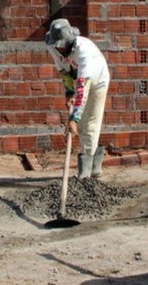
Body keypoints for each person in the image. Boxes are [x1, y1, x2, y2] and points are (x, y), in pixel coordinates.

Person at [45, 18, 110, 179]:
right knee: (81, 127)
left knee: (89, 124)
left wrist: (74, 118)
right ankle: (92, 168)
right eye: (57, 45)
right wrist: (68, 93)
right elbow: (64, 72)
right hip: (81, 80)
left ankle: (87, 173)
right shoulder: (51, 45)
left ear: (70, 40)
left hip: (98, 81)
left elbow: (83, 87)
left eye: (62, 45)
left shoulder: (84, 50)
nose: (59, 48)